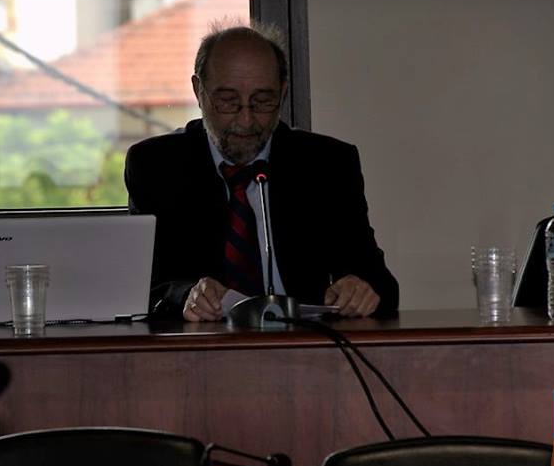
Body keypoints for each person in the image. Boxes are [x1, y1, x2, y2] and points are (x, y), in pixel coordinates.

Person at [125, 23, 398, 322]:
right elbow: (141, 288)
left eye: (262, 102)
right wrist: (186, 294)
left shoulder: (326, 164)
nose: (246, 120)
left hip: (304, 342)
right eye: (228, 101)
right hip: (203, 342)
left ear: (283, 93)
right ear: (198, 91)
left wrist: (361, 290)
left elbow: (381, 284)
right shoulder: (156, 166)